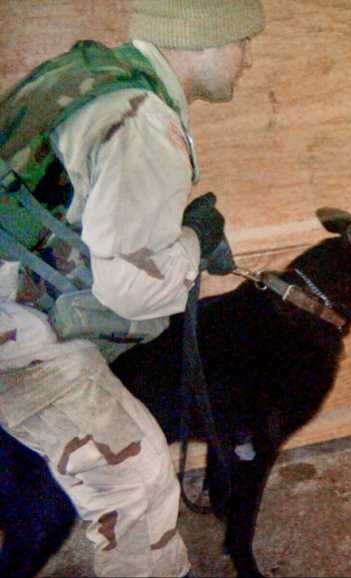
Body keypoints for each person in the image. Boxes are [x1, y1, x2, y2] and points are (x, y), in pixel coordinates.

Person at [0, 1, 265, 576]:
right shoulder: (141, 119)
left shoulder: (85, 75)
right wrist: (194, 240)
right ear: (201, 39)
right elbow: (132, 291)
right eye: (243, 40)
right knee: (137, 484)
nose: (249, 58)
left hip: (17, 297)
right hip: (18, 330)